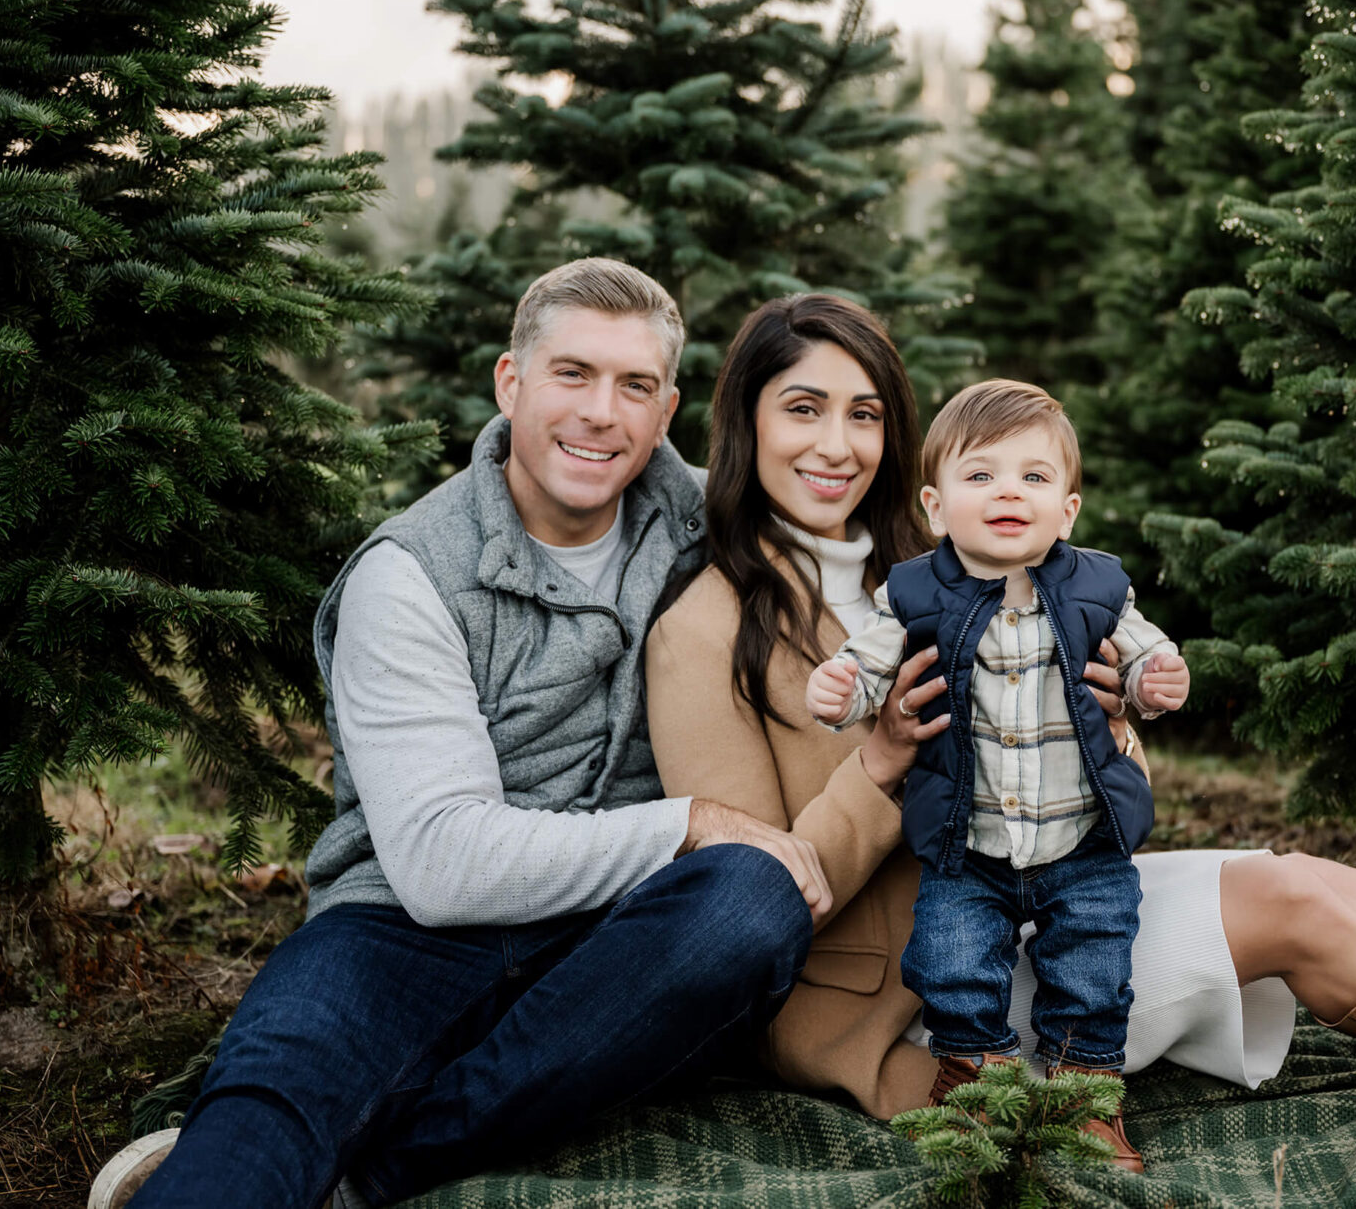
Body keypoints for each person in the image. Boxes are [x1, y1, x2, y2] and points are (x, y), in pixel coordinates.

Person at [644, 293, 1356, 1166]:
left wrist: (1114, 723)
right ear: (746, 425)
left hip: (1053, 889)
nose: (836, 443)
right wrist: (885, 762)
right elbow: (747, 908)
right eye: (802, 409)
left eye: (863, 412)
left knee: (1309, 874)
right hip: (924, 985)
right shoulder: (705, 626)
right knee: (1297, 905)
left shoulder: (948, 563)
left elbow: (1093, 752)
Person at [90, 259, 834, 1209]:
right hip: (399, 927)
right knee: (274, 1096)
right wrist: (686, 822)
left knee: (748, 902)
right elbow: (442, 864)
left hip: (617, 934)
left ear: (667, 408)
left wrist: (1072, 629)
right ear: (509, 382)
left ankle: (378, 1174)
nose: (602, 412)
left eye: (634, 386)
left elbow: (909, 560)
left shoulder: (708, 515)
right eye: (572, 374)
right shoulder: (409, 573)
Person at [803, 379, 1190, 1171]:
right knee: (950, 961)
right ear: (937, 507)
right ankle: (977, 1085)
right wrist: (841, 689)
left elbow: (1146, 650)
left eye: (1033, 477)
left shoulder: (1097, 586)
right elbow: (870, 666)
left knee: (1092, 967)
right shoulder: (912, 591)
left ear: (1068, 510)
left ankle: (1083, 1099)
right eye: (980, 475)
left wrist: (1156, 681)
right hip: (965, 842)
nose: (1008, 491)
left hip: (1082, 837)